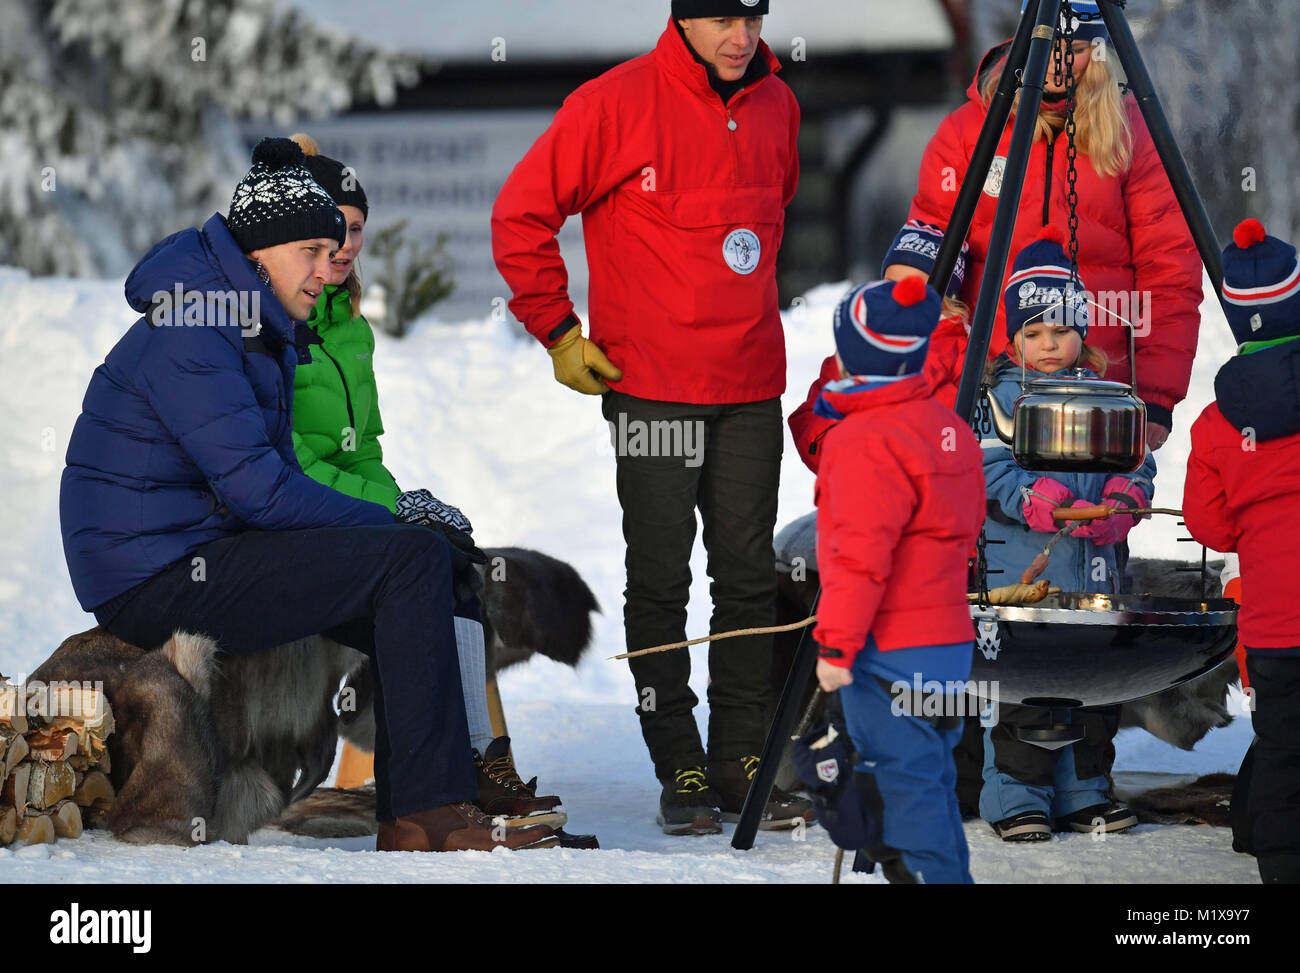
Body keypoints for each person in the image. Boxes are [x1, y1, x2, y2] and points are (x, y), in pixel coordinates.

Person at [59, 137, 557, 853]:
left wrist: (397, 522)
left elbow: (270, 482)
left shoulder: (251, 322)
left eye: (335, 250)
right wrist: (389, 516)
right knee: (407, 557)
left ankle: (454, 784)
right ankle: (422, 812)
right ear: (261, 252)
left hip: (205, 547)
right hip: (155, 576)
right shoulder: (197, 329)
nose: (329, 271)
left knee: (430, 563)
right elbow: (260, 490)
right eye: (313, 252)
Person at [492, 2, 804, 834]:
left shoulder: (778, 102)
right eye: (722, 20)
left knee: (747, 578)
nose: (742, 38)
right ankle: (681, 762)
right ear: (683, 20)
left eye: (755, 18)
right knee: (661, 579)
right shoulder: (611, 104)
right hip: (655, 387)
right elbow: (520, 216)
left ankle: (742, 757)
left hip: (750, 388)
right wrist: (558, 330)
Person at [286, 133, 566, 831]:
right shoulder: (281, 323)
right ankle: (430, 784)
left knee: (452, 560)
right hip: (292, 516)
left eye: (358, 230)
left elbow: (362, 451)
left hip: (339, 507)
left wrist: (402, 500)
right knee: (417, 564)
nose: (348, 244)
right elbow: (285, 459)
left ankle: (478, 761)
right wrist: (389, 507)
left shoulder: (351, 327)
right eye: (335, 229)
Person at [905, 0, 1202, 452]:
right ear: (1027, 39)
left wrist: (1157, 396)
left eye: (1079, 48)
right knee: (991, 514)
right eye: (1051, 46)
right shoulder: (971, 132)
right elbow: (929, 257)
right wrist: (940, 374)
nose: (1061, 64)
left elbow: (1170, 271)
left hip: (1095, 389)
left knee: (1084, 517)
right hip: (987, 387)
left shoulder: (1131, 134)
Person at [978, 230, 1155, 841]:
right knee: (1028, 685)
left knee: (1095, 686)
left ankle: (1085, 791)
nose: (1048, 345)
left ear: (1082, 330)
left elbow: (1136, 460)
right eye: (1033, 334)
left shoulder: (1108, 394)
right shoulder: (997, 399)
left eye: (1059, 331)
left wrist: (1124, 500)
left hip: (1097, 568)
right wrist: (1032, 496)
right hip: (1022, 571)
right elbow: (986, 466)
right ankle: (1015, 796)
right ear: (1011, 338)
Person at [812, 275, 986, 883]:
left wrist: (836, 644)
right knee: (931, 782)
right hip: (948, 646)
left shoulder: (864, 439)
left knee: (900, 798)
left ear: (855, 354)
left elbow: (860, 557)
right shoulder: (949, 430)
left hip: (889, 651)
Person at [1183, 219, 1300, 883]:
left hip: (1276, 633)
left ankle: (1278, 856)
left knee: (1285, 746)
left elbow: (1210, 525)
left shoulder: (1218, 422)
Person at [789, 220, 971, 472]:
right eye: (889, 283)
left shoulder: (958, 355)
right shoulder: (857, 344)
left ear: (945, 302)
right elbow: (810, 424)